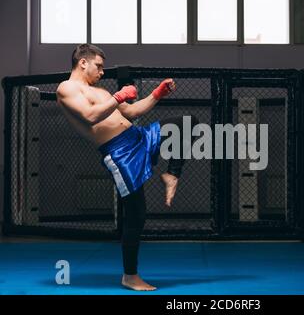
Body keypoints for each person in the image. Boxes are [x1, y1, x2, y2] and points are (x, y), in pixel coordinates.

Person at [56, 44, 198, 291]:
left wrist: (157, 94)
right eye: (98, 66)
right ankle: (130, 276)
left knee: (187, 123)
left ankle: (172, 173)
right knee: (136, 214)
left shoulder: (98, 90)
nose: (102, 72)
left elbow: (131, 111)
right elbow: (90, 116)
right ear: (82, 63)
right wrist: (118, 96)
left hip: (139, 137)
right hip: (120, 153)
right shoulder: (67, 88)